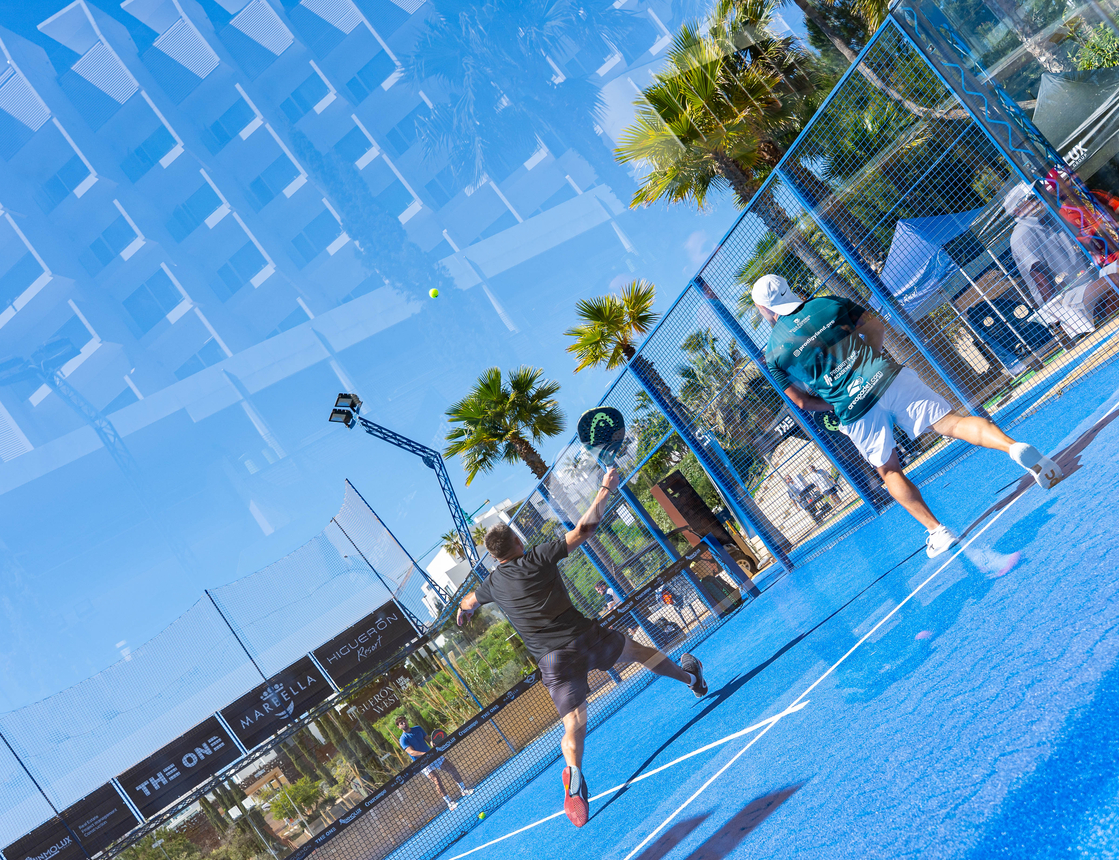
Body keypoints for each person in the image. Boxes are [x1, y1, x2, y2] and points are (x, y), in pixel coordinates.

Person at [455, 468, 706, 827]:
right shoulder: (538, 556)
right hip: (584, 638)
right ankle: (691, 679)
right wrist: (605, 488)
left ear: (496, 558)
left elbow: (469, 601)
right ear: (517, 543)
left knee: (573, 723)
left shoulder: (492, 583)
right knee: (639, 653)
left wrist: (464, 612)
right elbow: (584, 531)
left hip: (552, 660)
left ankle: (573, 772)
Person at [751, 274, 1063, 558]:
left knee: (889, 471)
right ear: (788, 290)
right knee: (953, 423)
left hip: (853, 408)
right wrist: (872, 359)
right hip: (887, 376)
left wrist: (836, 402)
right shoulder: (827, 303)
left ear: (764, 308)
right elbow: (875, 326)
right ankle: (1014, 447)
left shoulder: (774, 353)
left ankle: (938, 531)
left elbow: (801, 402)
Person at [1005, 181, 1119, 337]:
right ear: (1018, 211)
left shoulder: (1052, 218)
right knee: (1115, 279)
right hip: (1064, 298)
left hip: (1088, 281)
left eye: (1038, 193)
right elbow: (1040, 277)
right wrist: (1058, 318)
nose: (1039, 198)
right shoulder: (1022, 234)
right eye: (1031, 198)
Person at [395, 716, 473, 812]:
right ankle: (450, 803)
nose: (404, 724)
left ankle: (464, 790)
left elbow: (428, 739)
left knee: (451, 768)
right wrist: (424, 754)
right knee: (436, 780)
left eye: (404, 721)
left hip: (432, 755)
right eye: (401, 723)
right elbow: (411, 752)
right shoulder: (403, 739)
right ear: (399, 727)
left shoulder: (418, 729)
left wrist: (432, 743)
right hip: (421, 763)